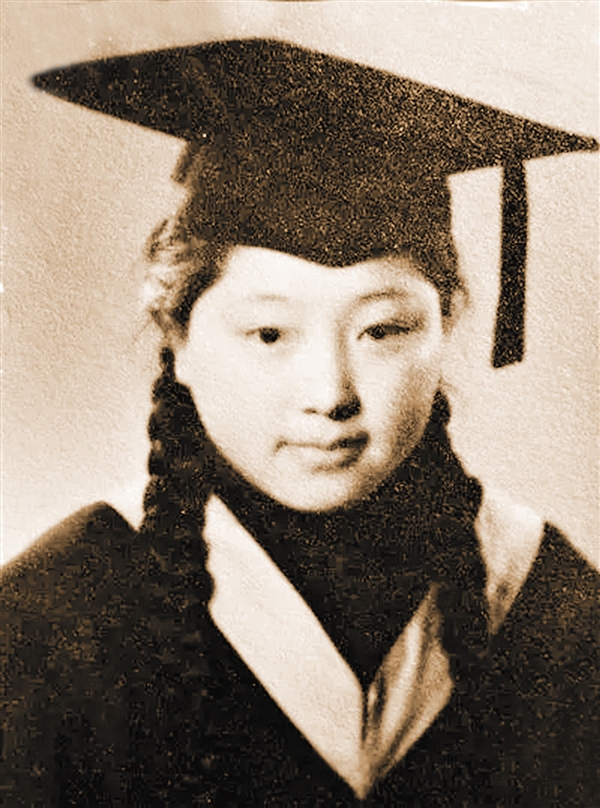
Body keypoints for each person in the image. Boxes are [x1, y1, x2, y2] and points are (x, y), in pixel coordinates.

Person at [1, 39, 598, 806]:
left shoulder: (551, 606)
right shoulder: (54, 621)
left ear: (447, 322)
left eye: (383, 330)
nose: (329, 393)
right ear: (177, 336)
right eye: (269, 334)